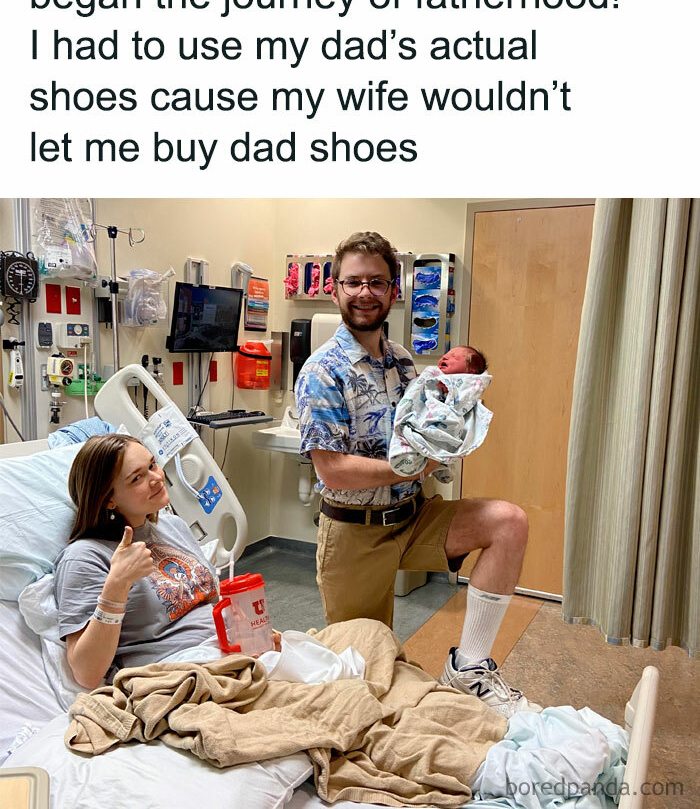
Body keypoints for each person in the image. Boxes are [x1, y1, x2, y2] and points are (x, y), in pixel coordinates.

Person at [295, 231, 540, 717]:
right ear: (335, 289)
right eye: (353, 282)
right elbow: (335, 471)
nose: (365, 292)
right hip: (353, 536)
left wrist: (458, 429)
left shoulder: (406, 362)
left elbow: (430, 423)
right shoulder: (323, 371)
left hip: (413, 516)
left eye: (377, 282)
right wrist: (414, 465)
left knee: (508, 522)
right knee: (365, 684)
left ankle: (469, 669)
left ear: (394, 290)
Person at [53, 434, 279, 690]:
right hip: (174, 675)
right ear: (108, 499)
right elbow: (86, 673)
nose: (157, 478)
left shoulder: (174, 527)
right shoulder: (85, 556)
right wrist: (117, 584)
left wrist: (251, 635)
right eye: (137, 478)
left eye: (152, 465)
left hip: (228, 654)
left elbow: (213, 606)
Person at [389, 344, 493, 482]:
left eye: (454, 357)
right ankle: (412, 453)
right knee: (416, 424)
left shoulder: (467, 385)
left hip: (444, 416)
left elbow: (461, 402)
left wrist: (451, 389)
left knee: (444, 433)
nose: (445, 357)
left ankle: (439, 462)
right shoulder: (435, 374)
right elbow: (422, 388)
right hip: (426, 410)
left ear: (471, 371)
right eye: (446, 355)